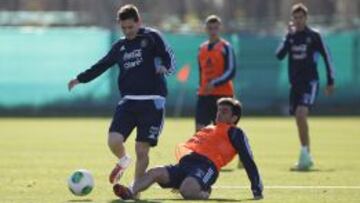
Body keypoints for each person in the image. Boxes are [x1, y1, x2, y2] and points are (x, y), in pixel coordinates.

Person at [67, 4, 176, 185]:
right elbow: (102, 65)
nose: (127, 31)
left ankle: (135, 189)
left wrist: (165, 67)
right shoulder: (120, 46)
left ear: (138, 21)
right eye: (123, 28)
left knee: (142, 150)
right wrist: (79, 79)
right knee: (113, 140)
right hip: (128, 102)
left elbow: (168, 55)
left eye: (131, 27)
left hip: (152, 102)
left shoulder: (152, 37)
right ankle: (124, 160)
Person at [113, 98, 263, 200]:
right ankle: (130, 192)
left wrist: (256, 187)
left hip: (207, 167)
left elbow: (248, 159)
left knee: (187, 191)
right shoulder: (210, 128)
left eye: (224, 112)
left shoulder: (236, 132)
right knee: (155, 172)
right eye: (218, 110)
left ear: (234, 118)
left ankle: (203, 192)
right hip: (186, 163)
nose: (219, 113)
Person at [276, 3, 335, 170]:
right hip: (294, 85)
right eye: (295, 17)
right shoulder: (291, 36)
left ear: (306, 18)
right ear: (292, 19)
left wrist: (330, 81)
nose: (298, 20)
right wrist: (287, 36)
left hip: (310, 82)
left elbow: (327, 57)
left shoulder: (314, 36)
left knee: (301, 114)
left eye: (301, 17)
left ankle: (305, 154)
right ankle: (306, 154)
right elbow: (279, 55)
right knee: (298, 118)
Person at [195, 15, 236, 132]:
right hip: (204, 94)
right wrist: (201, 87)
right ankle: (201, 151)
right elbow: (201, 71)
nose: (213, 31)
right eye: (210, 28)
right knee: (200, 130)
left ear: (220, 29)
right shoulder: (201, 48)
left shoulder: (226, 47)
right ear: (206, 29)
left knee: (222, 130)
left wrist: (214, 83)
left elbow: (231, 71)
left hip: (222, 95)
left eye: (216, 28)